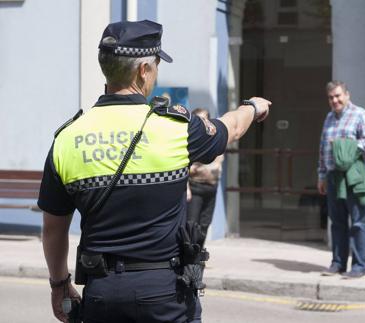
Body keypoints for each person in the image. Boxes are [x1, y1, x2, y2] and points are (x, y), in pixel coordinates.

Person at [37, 20, 271, 323]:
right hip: (165, 294)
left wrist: (59, 285)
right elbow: (233, 127)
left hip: (101, 293)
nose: (156, 72)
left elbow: (53, 228)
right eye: (156, 64)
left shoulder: (68, 139)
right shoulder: (175, 128)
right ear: (143, 71)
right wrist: (252, 106)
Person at [317, 80, 365, 279]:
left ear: (347, 95)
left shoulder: (360, 115)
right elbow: (323, 149)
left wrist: (345, 146)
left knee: (358, 222)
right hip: (334, 176)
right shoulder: (328, 118)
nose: (335, 100)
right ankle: (338, 263)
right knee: (337, 221)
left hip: (356, 175)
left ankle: (360, 266)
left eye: (338, 96)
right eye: (331, 97)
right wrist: (321, 175)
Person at [186, 108, 225, 247]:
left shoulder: (214, 139)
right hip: (195, 188)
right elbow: (185, 167)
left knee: (204, 225)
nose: (202, 122)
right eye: (198, 119)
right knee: (191, 224)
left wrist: (198, 167)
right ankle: (188, 258)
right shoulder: (189, 138)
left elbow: (217, 164)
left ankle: (198, 256)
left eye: (205, 118)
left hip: (211, 187)